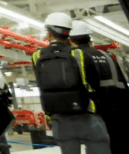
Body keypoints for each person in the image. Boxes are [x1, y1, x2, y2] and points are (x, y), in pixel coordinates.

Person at [32, 12, 111, 154]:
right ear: (68, 33)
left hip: (59, 119)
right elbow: (96, 83)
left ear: (49, 33)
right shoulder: (79, 54)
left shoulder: (36, 56)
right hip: (87, 114)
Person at [70, 21, 129, 154]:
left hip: (99, 117)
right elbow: (124, 88)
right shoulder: (108, 56)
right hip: (123, 116)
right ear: (89, 38)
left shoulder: (75, 58)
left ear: (71, 41)